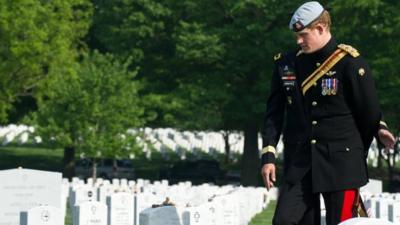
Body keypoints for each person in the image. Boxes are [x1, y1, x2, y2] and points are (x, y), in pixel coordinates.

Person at [260, 2, 396, 225]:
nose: (298, 41)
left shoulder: (350, 63)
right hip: (301, 162)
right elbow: (274, 113)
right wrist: (268, 156)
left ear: (321, 28)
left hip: (341, 164)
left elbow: (367, 110)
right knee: (283, 220)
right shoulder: (288, 65)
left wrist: (377, 130)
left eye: (303, 35)